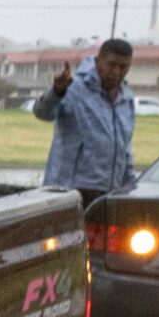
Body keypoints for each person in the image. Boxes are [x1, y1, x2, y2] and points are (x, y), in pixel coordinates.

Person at [34, 37, 137, 199]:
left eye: (123, 66)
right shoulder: (73, 88)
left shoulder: (126, 99)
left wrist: (131, 187)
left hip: (110, 193)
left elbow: (125, 149)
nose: (117, 71)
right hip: (70, 190)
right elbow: (42, 113)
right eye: (111, 64)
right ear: (98, 61)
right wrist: (56, 92)